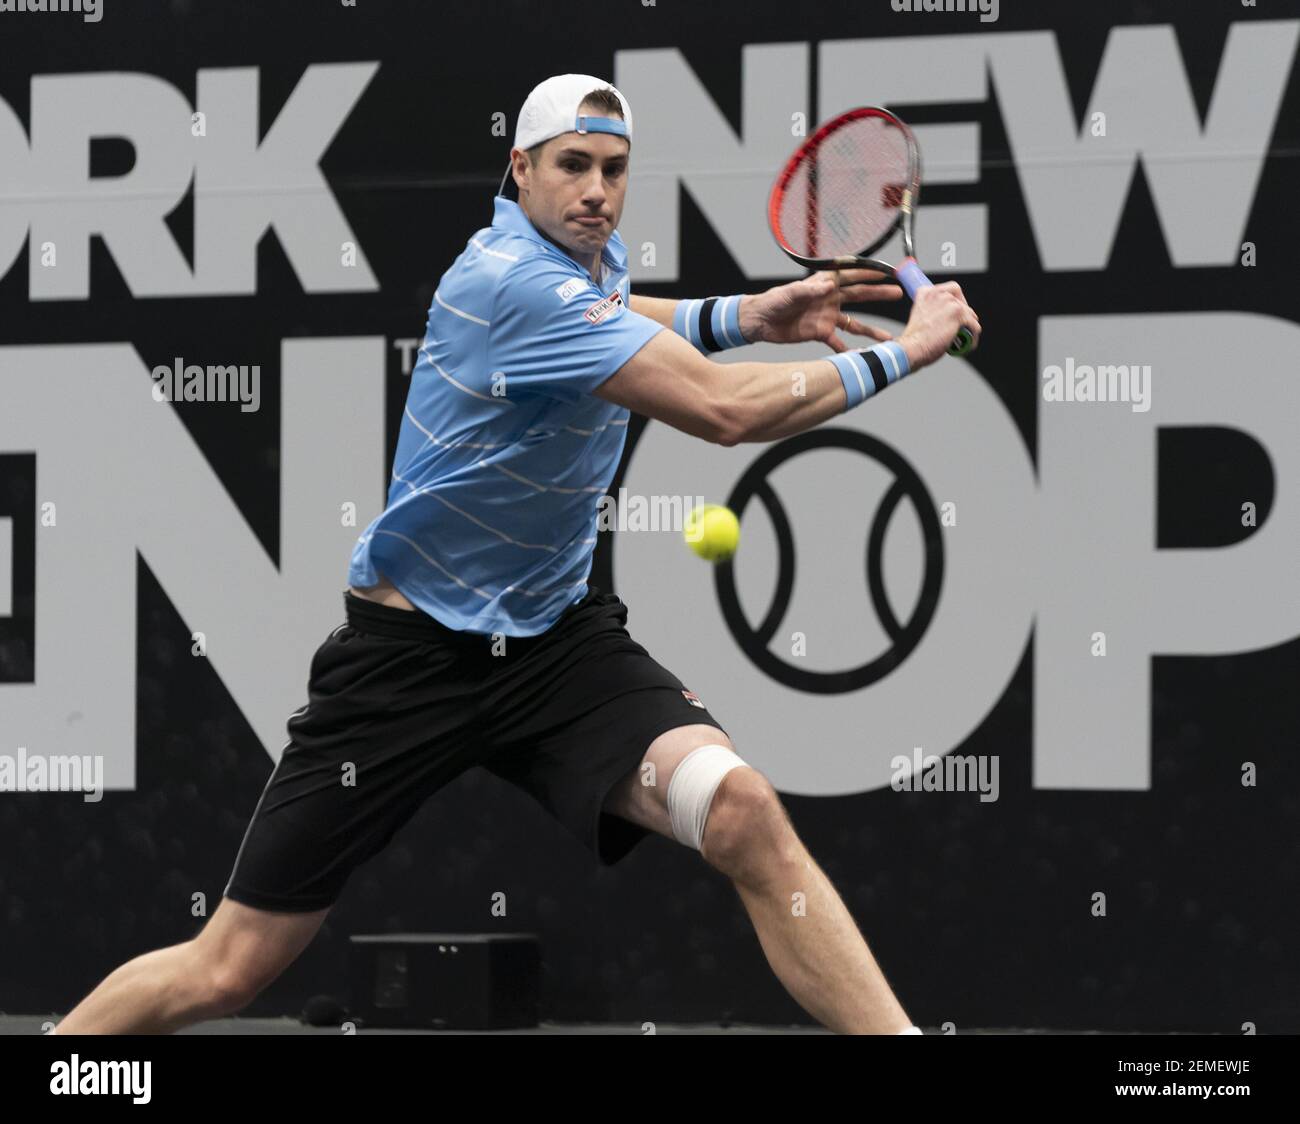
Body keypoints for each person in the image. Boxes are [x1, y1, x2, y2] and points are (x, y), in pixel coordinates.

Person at [54, 73, 979, 1035]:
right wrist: (906, 352)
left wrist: (745, 317)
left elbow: (623, 311)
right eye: (573, 167)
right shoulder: (510, 284)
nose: (596, 191)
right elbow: (724, 410)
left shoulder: (582, 259)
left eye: (615, 171)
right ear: (520, 168)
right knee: (227, 970)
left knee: (742, 811)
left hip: (553, 648)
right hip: (407, 663)